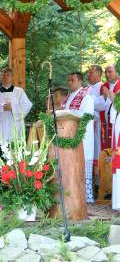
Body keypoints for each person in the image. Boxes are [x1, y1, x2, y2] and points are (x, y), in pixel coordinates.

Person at [62, 72, 94, 203]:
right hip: (70, 136)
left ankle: (86, 198)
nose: (69, 82)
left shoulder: (87, 97)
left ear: (80, 81)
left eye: (72, 80)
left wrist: (67, 113)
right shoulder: (69, 97)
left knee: (82, 167)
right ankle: (72, 196)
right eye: (68, 80)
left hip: (83, 137)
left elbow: (85, 115)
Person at [0, 68, 32, 157]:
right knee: (0, 158)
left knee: (15, 158)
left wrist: (12, 108)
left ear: (12, 77)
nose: (5, 77)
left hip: (14, 128)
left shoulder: (19, 91)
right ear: (0, 77)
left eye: (8, 75)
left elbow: (27, 106)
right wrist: (0, 108)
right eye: (3, 75)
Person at [97, 65, 120, 150]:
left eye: (110, 72)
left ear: (117, 72)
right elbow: (100, 104)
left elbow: (118, 103)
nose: (107, 74)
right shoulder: (104, 86)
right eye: (106, 72)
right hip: (106, 122)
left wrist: (109, 94)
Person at [87, 65, 104, 167]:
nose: (88, 75)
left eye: (91, 73)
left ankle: (98, 178)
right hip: (87, 124)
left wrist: (89, 100)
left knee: (97, 149)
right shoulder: (87, 88)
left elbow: (102, 104)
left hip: (98, 124)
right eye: (88, 72)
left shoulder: (103, 86)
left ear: (98, 74)